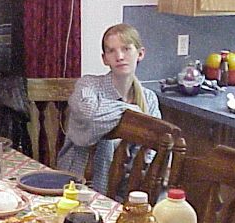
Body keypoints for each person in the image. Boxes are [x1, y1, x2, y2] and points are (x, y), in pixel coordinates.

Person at [57, 23, 160, 195]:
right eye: (111, 51)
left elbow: (152, 150)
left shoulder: (149, 99)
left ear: (140, 53)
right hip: (76, 183)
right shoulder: (88, 85)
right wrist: (130, 110)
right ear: (104, 59)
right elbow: (89, 115)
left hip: (123, 188)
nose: (119, 56)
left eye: (126, 49)